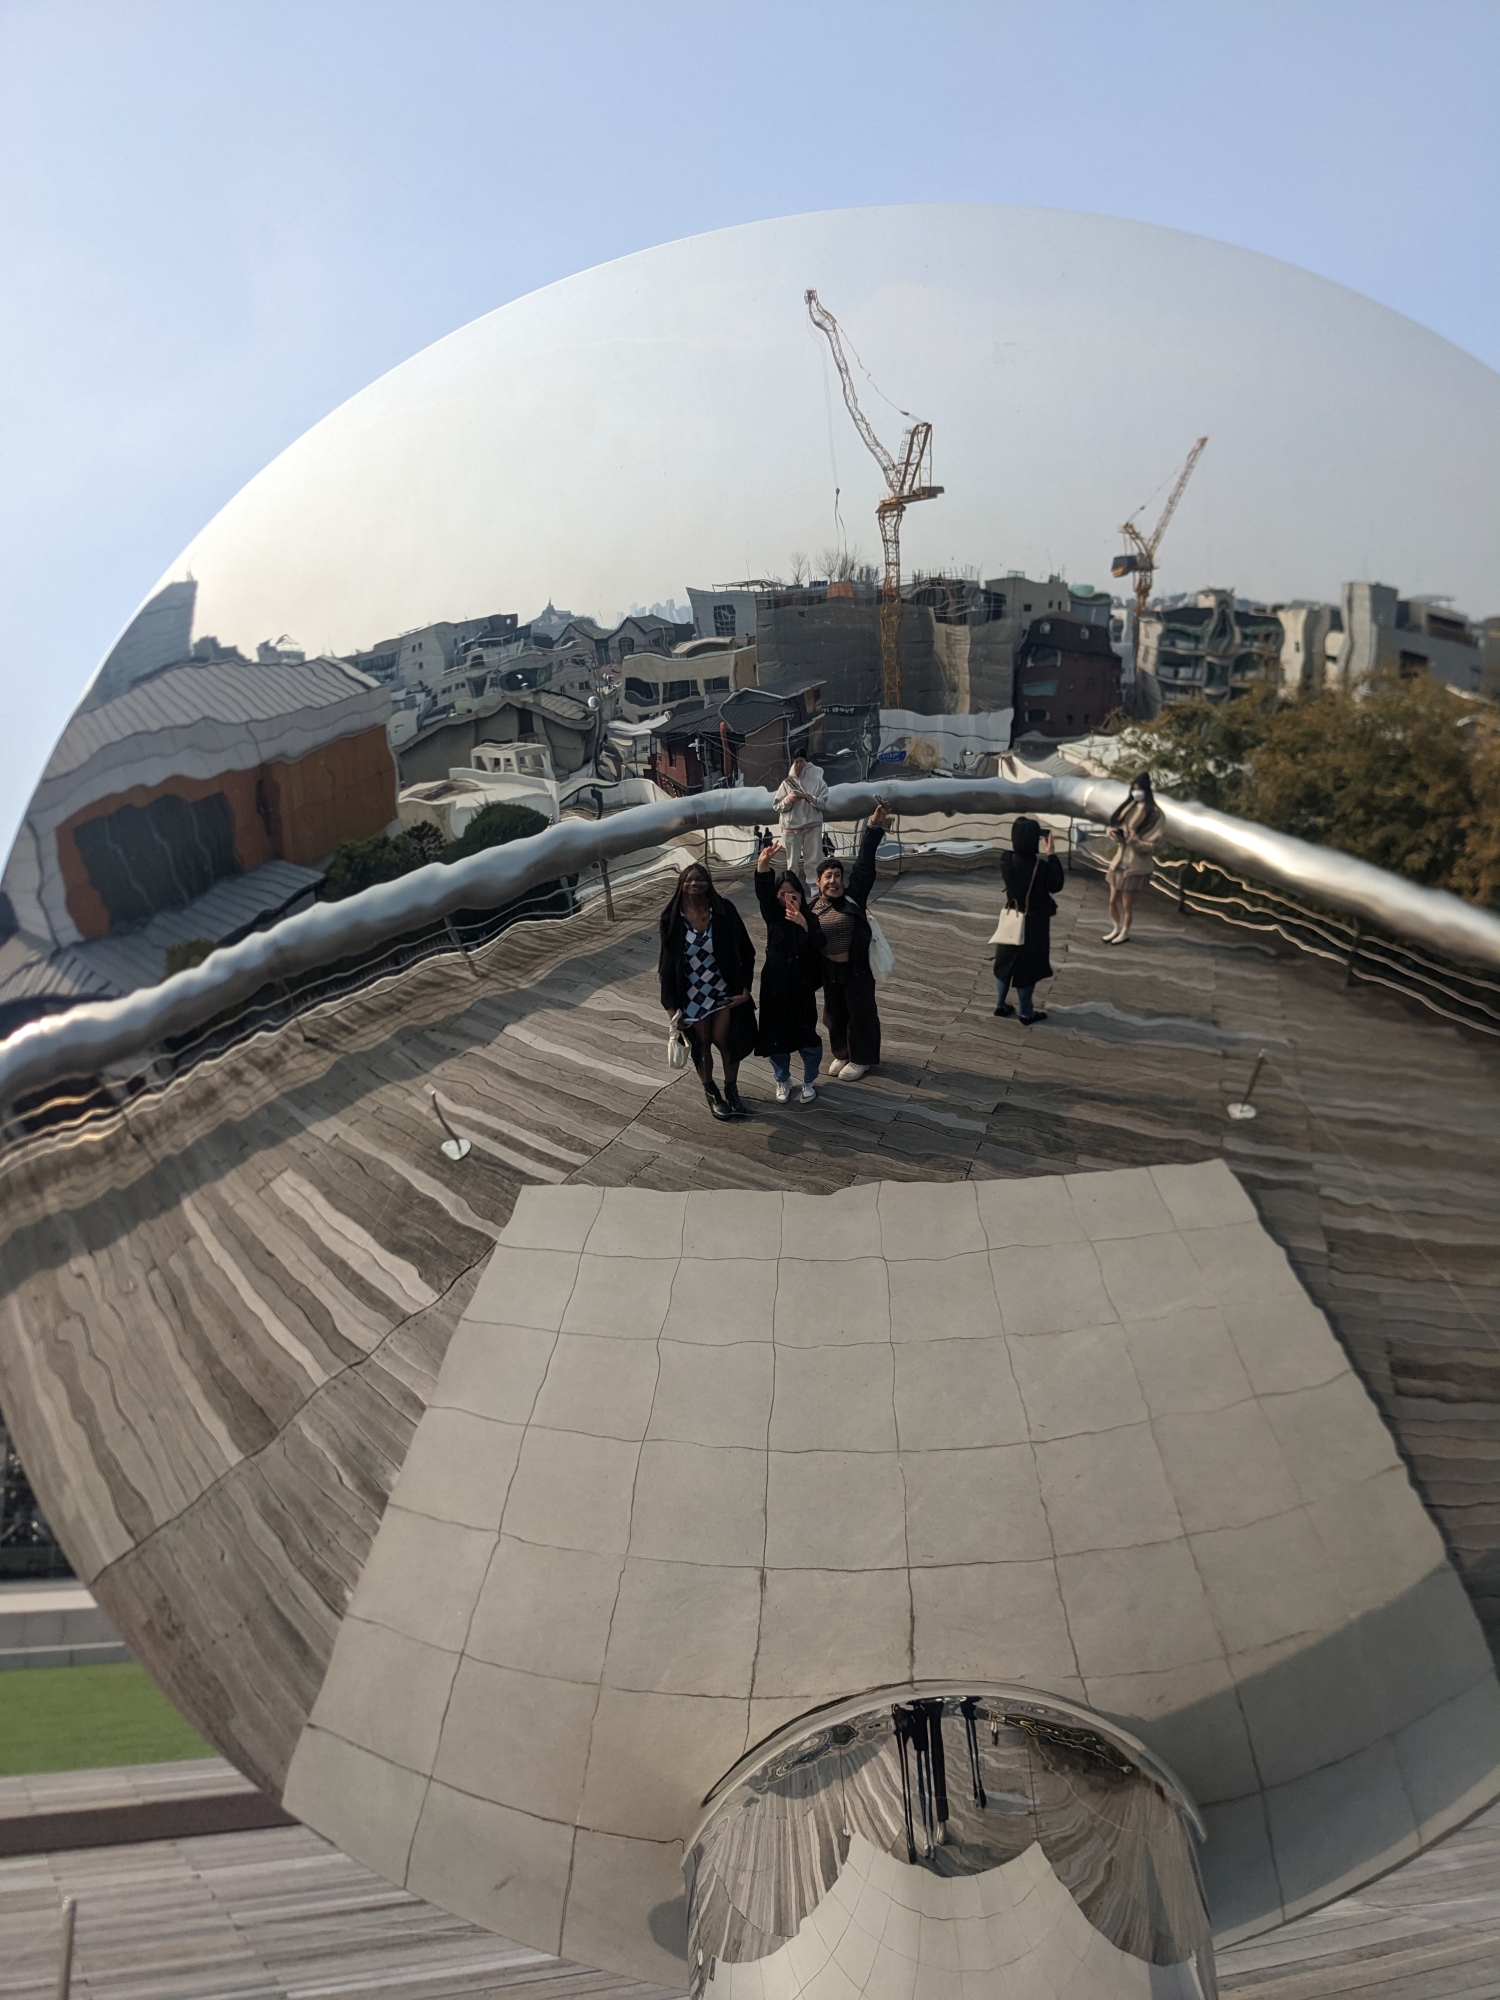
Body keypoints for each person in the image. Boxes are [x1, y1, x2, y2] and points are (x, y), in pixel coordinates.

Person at [658, 861, 756, 1120]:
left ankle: (731, 1089)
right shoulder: (671, 918)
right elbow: (666, 966)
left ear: (709, 883)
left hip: (723, 989)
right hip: (690, 994)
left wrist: (746, 989)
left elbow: (747, 951)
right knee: (701, 1047)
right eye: (689, 879)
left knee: (727, 1042)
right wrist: (670, 1007)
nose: (694, 883)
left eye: (700, 879)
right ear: (681, 884)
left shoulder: (724, 911)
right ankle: (711, 1090)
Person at [812, 800, 889, 1081]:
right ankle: (842, 1052)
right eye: (828, 876)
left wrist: (874, 826)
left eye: (837, 876)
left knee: (861, 1014)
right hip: (831, 973)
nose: (834, 880)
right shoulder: (813, 908)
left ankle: (863, 1058)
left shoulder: (852, 897)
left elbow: (865, 863)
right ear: (818, 882)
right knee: (834, 1015)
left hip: (856, 970)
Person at [752, 840, 826, 1103]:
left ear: (801, 894)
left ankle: (809, 1080)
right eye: (782, 894)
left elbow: (819, 945)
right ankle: (782, 1080)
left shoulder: (811, 918)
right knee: (775, 1036)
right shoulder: (772, 916)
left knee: (806, 1034)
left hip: (801, 984)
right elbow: (762, 891)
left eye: (792, 893)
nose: (788, 899)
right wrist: (763, 865)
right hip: (774, 984)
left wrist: (803, 922)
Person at [993, 816, 1066, 1025]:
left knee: (1004, 963)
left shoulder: (1006, 859)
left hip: (1011, 917)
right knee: (1028, 968)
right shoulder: (1041, 868)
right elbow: (1057, 884)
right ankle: (1026, 1013)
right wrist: (1051, 852)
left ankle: (1000, 1004)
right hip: (1034, 924)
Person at [1103, 772, 1165, 944]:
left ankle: (1125, 931)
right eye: (1134, 789)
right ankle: (1115, 928)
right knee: (1112, 900)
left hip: (1135, 865)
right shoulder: (1129, 806)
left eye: (1139, 790)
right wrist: (1116, 835)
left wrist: (1133, 840)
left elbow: (1150, 845)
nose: (1136, 793)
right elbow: (1113, 825)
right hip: (1119, 862)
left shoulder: (1155, 814)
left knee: (1127, 903)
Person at [773, 752, 830, 888]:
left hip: (812, 823)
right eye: (796, 761)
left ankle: (814, 883)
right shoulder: (787, 783)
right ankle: (791, 884)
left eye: (801, 761)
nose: (798, 765)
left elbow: (823, 803)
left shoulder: (818, 780)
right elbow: (777, 805)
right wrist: (789, 800)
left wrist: (812, 799)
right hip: (791, 825)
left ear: (806, 762)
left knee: (814, 857)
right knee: (792, 860)